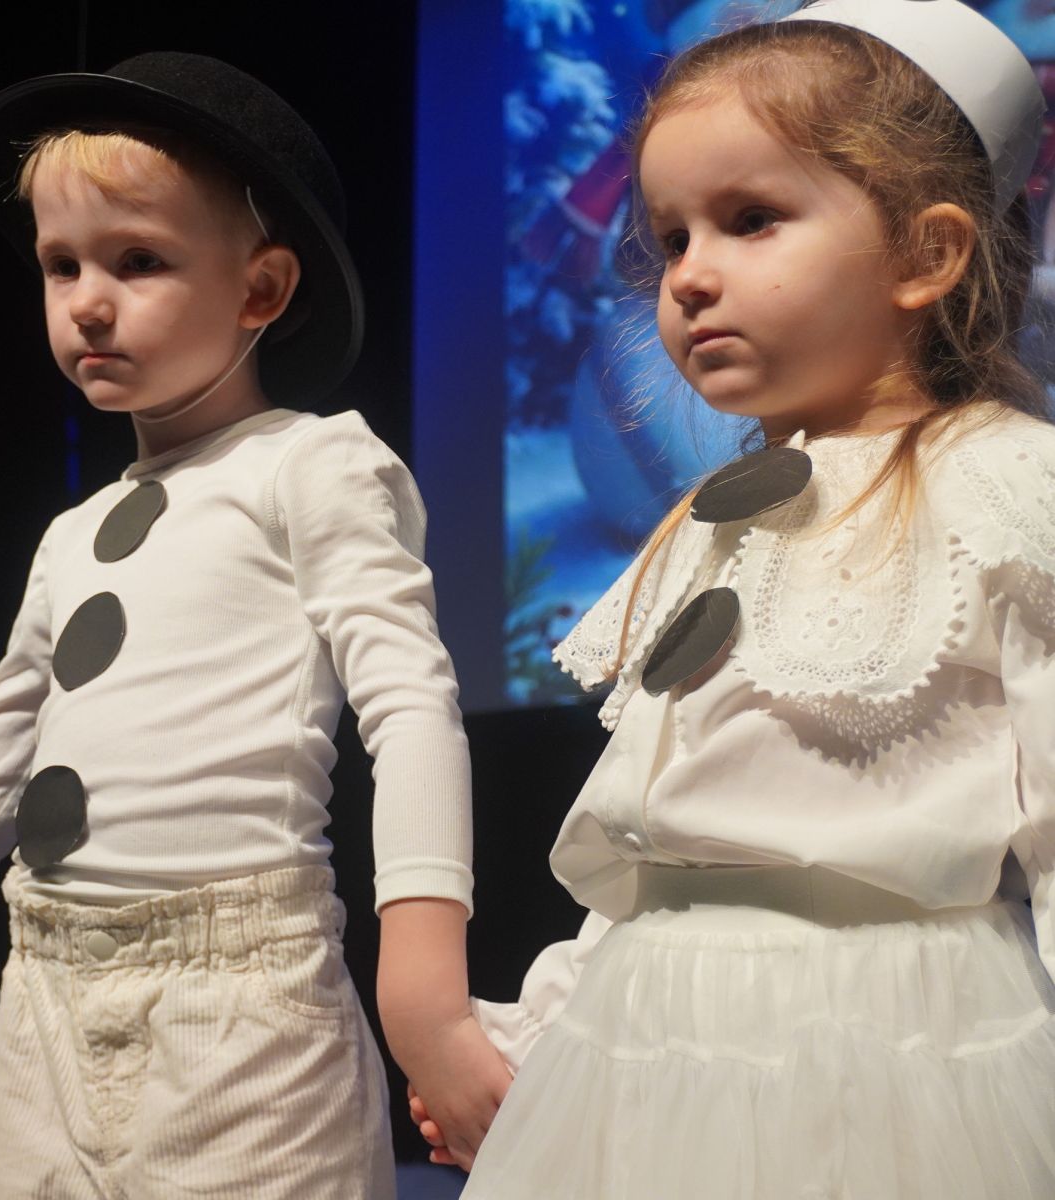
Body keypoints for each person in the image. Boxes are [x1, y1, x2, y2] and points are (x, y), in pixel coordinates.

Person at [0, 52, 499, 1197]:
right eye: (62, 265)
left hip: (237, 1016)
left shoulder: (313, 463)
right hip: (40, 1005)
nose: (87, 301)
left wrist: (424, 988)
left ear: (261, 290)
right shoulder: (70, 535)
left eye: (138, 261)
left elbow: (409, 706)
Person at [434, 2, 1055, 1195]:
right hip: (647, 1059)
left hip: (893, 1064)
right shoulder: (714, 517)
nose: (691, 276)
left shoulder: (1007, 483)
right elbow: (659, 836)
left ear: (926, 255)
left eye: (751, 220)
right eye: (671, 238)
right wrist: (541, 1030)